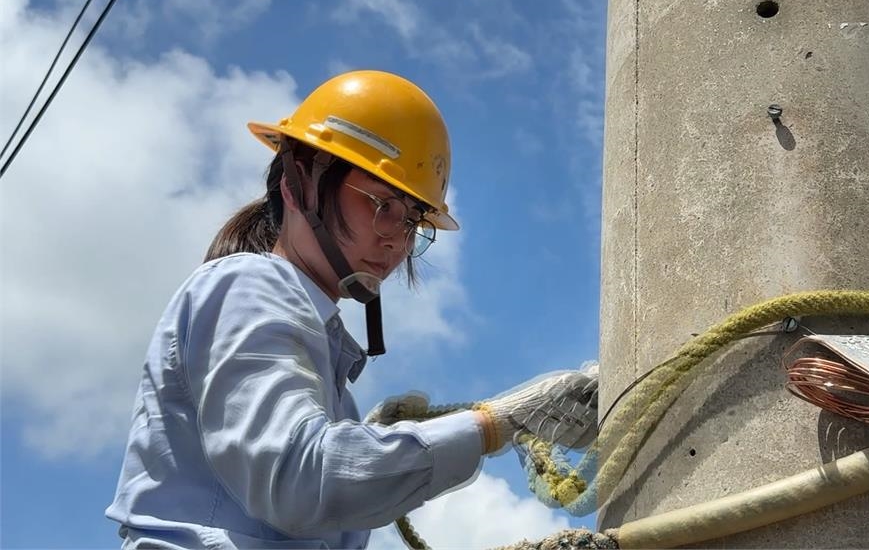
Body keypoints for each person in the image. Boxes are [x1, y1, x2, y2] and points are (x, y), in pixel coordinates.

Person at [104, 70, 599, 549]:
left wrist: (371, 441)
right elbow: (300, 479)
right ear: (298, 183)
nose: (397, 240)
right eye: (381, 204)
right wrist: (497, 424)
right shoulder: (249, 285)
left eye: (412, 221)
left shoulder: (320, 357)